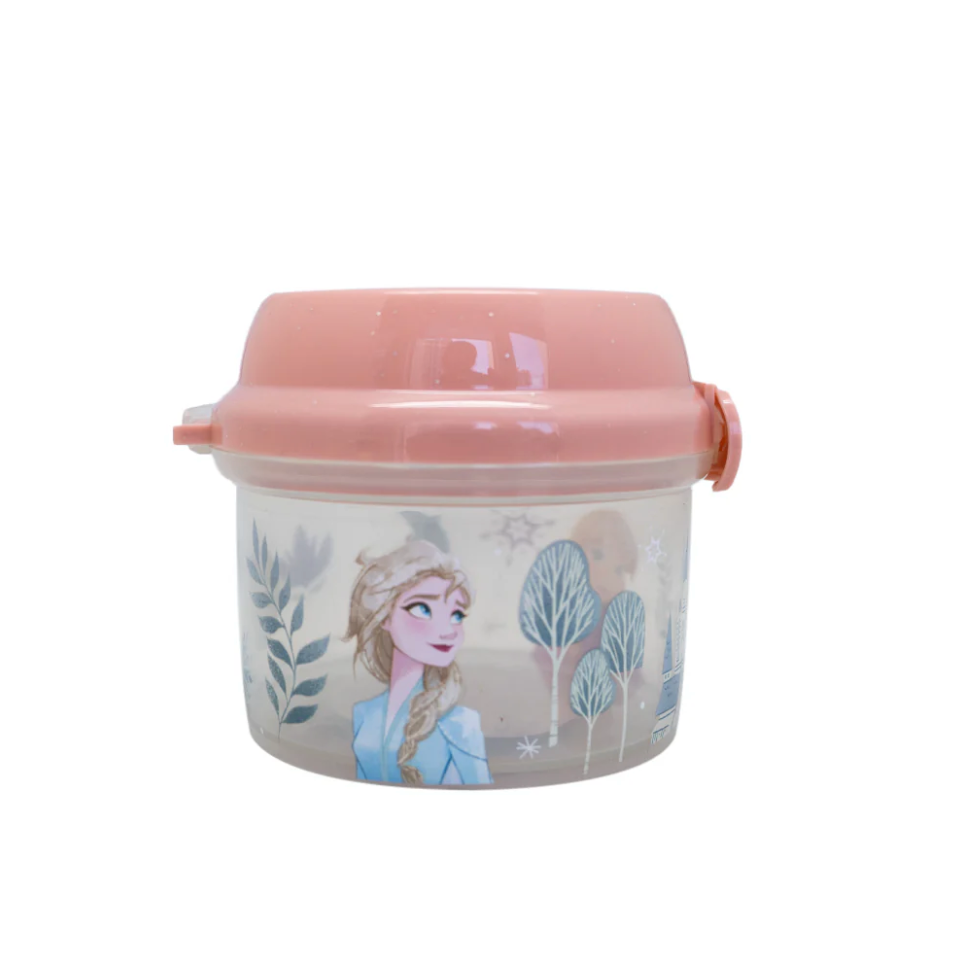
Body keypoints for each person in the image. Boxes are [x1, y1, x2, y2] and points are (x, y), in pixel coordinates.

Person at [347, 540, 493, 785]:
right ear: (384, 617)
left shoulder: (460, 724)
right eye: (422, 609)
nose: (447, 630)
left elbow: (480, 795)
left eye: (456, 615)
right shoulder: (364, 714)